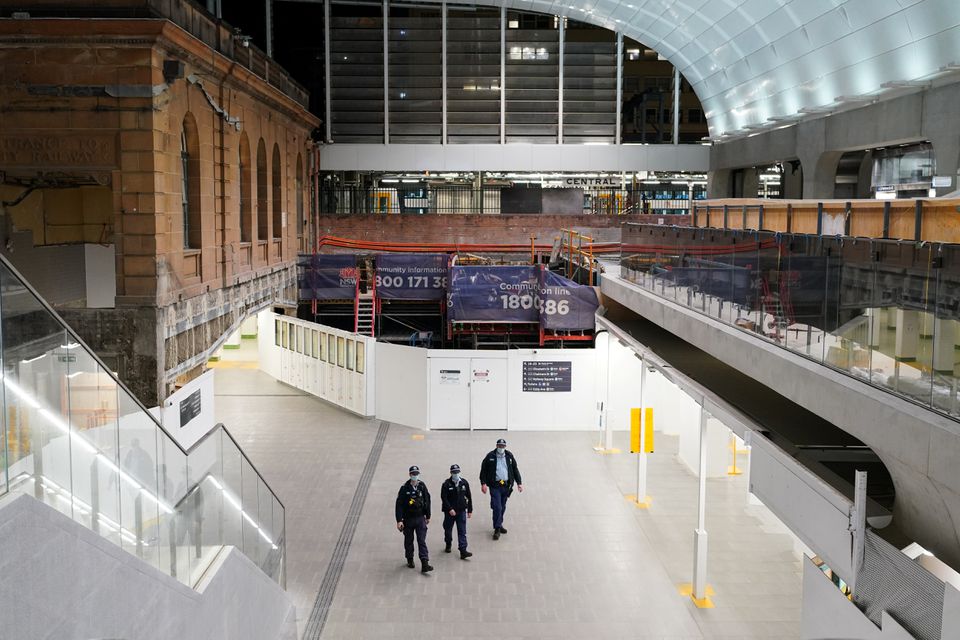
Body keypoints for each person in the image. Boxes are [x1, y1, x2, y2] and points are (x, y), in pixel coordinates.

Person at [479, 438, 523, 540]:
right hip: (495, 486)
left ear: (505, 447)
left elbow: (515, 469)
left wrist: (519, 483)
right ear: (496, 446)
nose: (501, 448)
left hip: (506, 485)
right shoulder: (490, 456)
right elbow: (483, 470)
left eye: (503, 446)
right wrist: (483, 483)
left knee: (502, 506)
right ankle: (497, 528)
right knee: (497, 507)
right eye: (499, 446)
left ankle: (499, 523)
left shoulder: (509, 456)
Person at [395, 465, 433, 573]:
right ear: (409, 475)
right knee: (409, 540)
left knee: (422, 540)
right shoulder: (404, 488)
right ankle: (410, 558)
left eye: (417, 474)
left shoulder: (422, 486)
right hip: (408, 519)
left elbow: (427, 500)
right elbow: (399, 505)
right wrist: (399, 520)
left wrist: (428, 515)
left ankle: (425, 563)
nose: (415, 476)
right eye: (413, 474)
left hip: (420, 518)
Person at [440, 464, 473, 559]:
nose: (456, 474)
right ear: (451, 473)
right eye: (454, 472)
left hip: (461, 511)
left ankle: (463, 550)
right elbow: (444, 498)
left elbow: (469, 496)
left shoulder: (464, 483)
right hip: (449, 513)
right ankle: (448, 543)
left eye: (457, 472)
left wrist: (470, 510)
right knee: (448, 529)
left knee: (462, 531)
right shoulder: (446, 484)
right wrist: (450, 509)